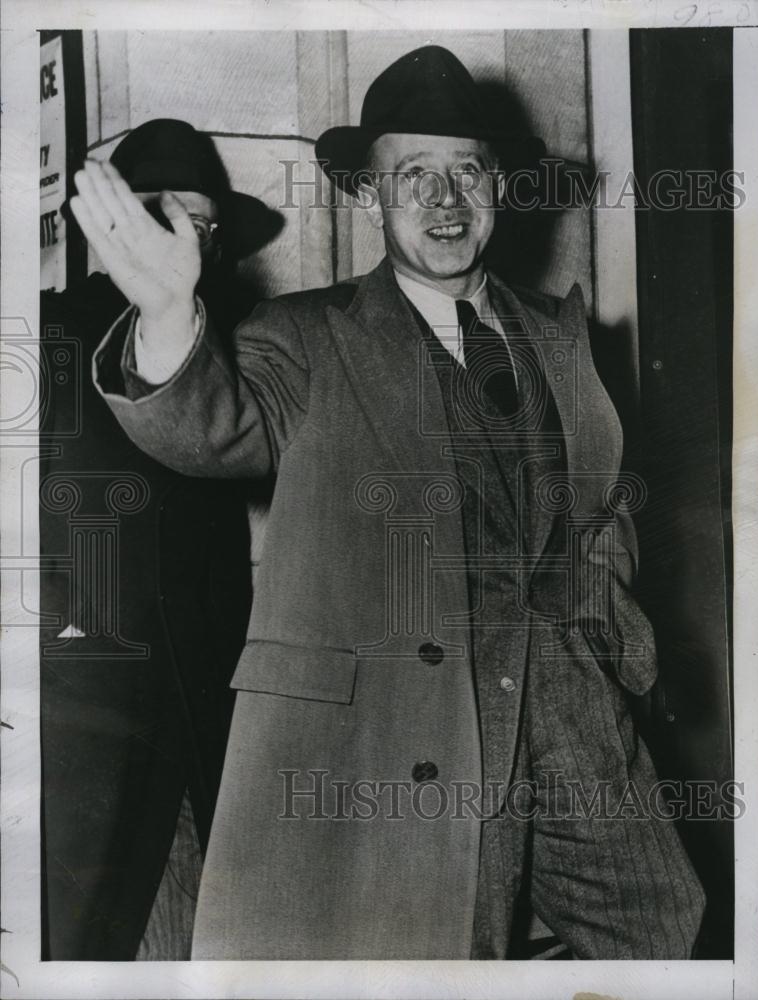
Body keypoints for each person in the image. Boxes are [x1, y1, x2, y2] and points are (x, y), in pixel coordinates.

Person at [71, 48, 705, 960]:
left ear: (498, 188)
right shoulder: (305, 339)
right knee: (451, 952)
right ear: (368, 198)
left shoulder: (562, 339)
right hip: (413, 734)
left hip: (573, 719)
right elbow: (208, 426)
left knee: (664, 932)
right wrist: (170, 319)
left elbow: (603, 514)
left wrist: (601, 644)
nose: (446, 200)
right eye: (415, 175)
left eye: (467, 173)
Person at [40, 119, 279, 959]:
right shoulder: (39, 339)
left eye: (201, 225)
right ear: (107, 228)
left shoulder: (240, 351)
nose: (179, 240)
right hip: (75, 738)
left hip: (205, 728)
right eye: (155, 213)